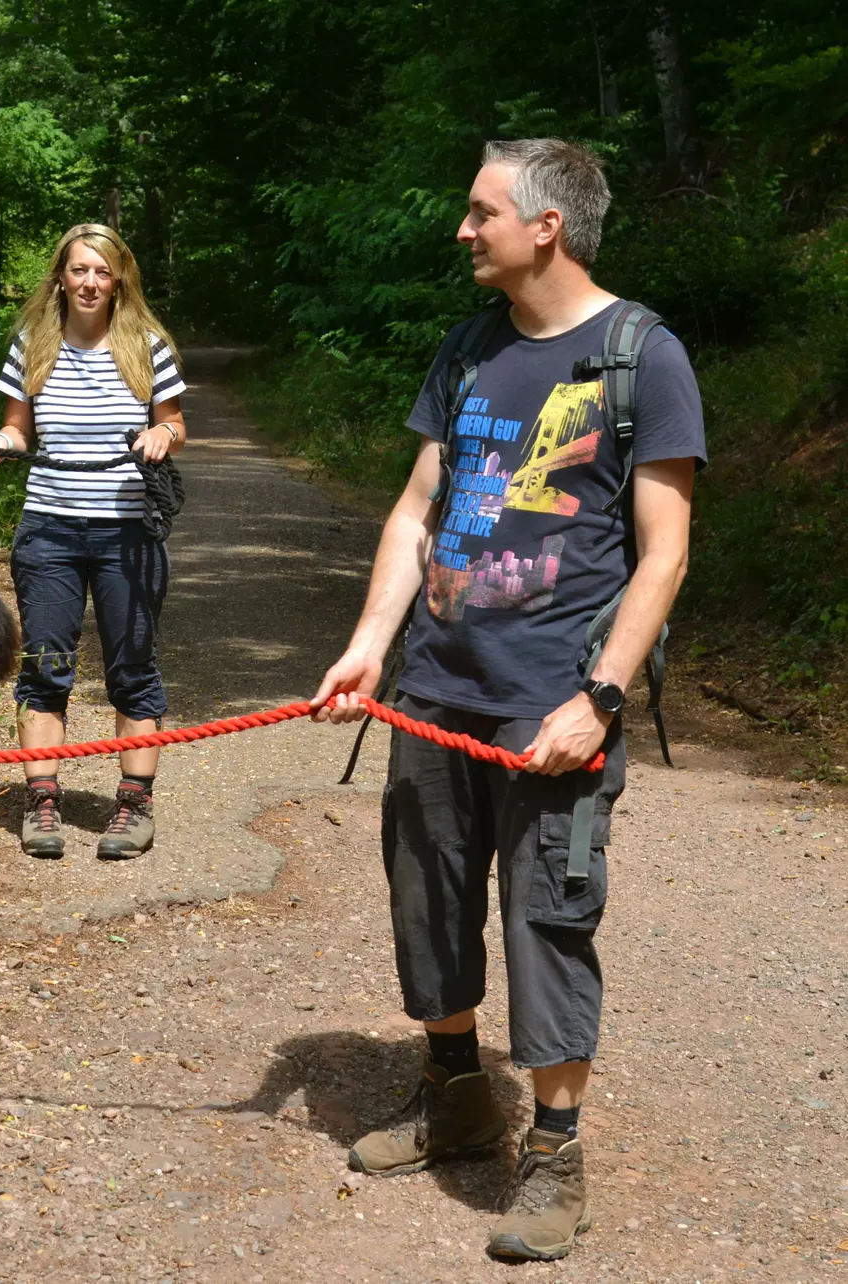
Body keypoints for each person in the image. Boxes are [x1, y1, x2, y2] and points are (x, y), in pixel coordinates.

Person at [312, 139, 703, 1261]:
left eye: (479, 212)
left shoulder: (641, 356)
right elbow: (412, 513)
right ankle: (456, 1099)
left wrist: (598, 696)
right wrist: (365, 646)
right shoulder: (468, 347)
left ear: (546, 227)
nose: (460, 229)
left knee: (547, 920)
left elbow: (663, 554)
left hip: (550, 707)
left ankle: (554, 1154)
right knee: (425, 903)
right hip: (433, 688)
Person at [0, 223, 186, 860]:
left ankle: (134, 807)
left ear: (119, 281)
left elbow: (173, 421)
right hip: (49, 532)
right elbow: (17, 431)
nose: (90, 282)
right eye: (79, 270)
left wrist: (162, 438)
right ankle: (42, 801)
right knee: (45, 666)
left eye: (102, 272)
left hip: (128, 535)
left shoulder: (147, 346)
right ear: (60, 276)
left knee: (132, 668)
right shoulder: (32, 345)